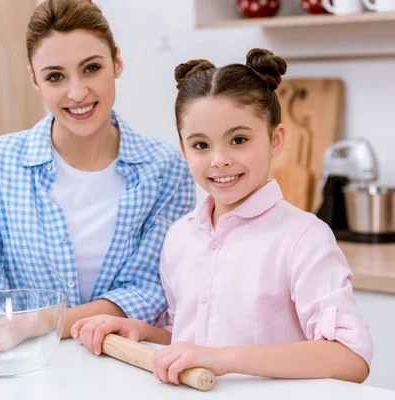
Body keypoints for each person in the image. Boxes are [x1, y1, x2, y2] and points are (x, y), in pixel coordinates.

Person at [0, 0, 195, 369]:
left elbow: (148, 291)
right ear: (34, 80)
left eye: (91, 68)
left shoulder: (166, 169)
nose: (77, 92)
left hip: (132, 370)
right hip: (26, 373)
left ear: (117, 62)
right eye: (55, 76)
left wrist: (33, 324)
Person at [71, 48, 373, 384]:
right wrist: (142, 332)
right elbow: (189, 343)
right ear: (184, 149)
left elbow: (350, 358)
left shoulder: (304, 238)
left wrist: (222, 359)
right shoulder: (180, 237)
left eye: (238, 139)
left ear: (276, 140)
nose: (219, 159)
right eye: (201, 145)